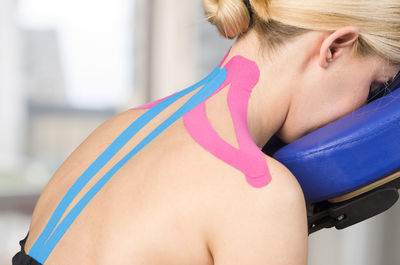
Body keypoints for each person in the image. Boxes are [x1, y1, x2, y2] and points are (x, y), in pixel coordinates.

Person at [12, 0, 400, 264]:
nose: (363, 110)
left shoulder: (112, 133)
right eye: (374, 88)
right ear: (334, 47)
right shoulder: (258, 194)